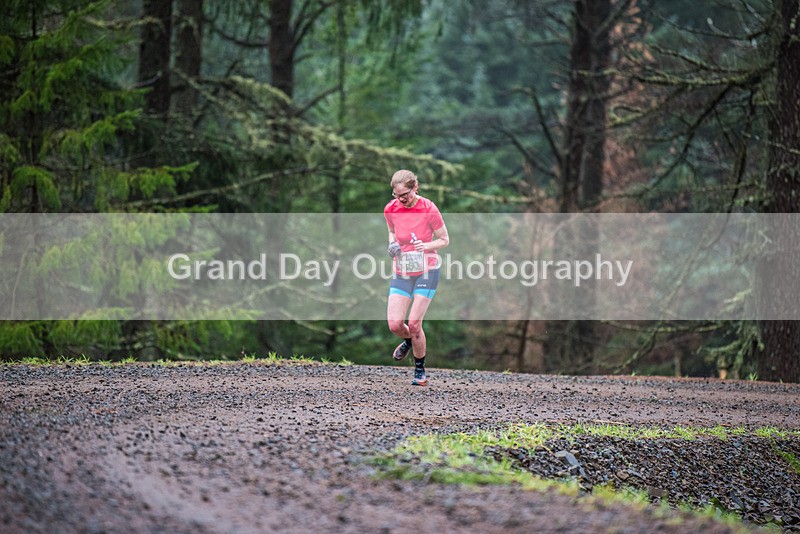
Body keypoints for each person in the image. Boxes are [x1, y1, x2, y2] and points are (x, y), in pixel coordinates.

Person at [384, 170, 449, 386]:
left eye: (405, 194)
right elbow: (392, 232)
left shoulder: (429, 209)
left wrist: (426, 246)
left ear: (415, 188)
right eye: (397, 195)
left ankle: (420, 371)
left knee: (414, 323)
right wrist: (392, 244)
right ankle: (408, 340)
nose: (401, 199)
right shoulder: (390, 209)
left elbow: (444, 240)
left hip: (427, 270)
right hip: (403, 269)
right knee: (395, 325)